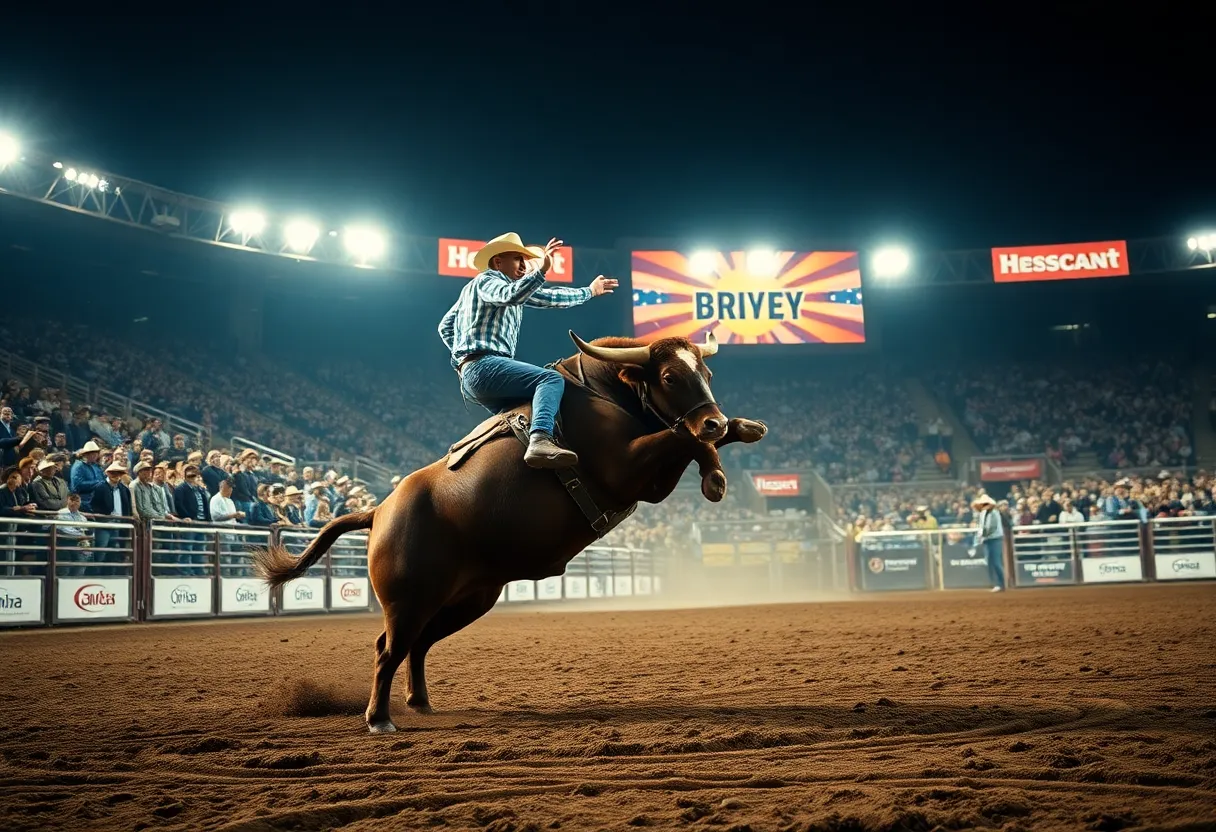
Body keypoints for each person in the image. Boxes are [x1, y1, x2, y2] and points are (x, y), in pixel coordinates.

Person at [437, 232, 618, 468]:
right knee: (550, 380)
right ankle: (540, 439)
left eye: (526, 261)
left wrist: (590, 291)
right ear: (498, 262)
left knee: (521, 416)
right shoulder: (487, 280)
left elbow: (445, 327)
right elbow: (510, 295)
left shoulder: (485, 290)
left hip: (478, 373)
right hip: (485, 366)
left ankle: (524, 459)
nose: (524, 265)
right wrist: (542, 271)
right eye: (518, 259)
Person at [970, 493, 1005, 592]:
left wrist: (980, 538)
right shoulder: (984, 514)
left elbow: (989, 528)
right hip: (989, 540)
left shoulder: (993, 513)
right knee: (990, 562)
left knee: (996, 562)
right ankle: (996, 583)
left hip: (995, 539)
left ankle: (1000, 584)